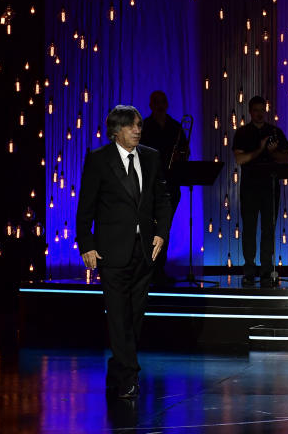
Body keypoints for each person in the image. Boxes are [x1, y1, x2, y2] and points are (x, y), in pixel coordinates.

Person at [75, 105, 173, 399]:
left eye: (139, 125)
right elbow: (85, 208)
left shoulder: (151, 157)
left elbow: (163, 199)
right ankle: (130, 375)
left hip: (144, 252)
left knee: (134, 316)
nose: (137, 130)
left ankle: (117, 368)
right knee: (117, 316)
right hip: (111, 253)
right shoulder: (98, 160)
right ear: (116, 131)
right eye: (132, 126)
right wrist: (87, 244)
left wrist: (161, 233)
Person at [232, 95, 288, 287]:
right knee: (249, 229)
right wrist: (260, 149)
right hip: (249, 189)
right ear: (250, 112)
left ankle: (267, 270)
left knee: (269, 230)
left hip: (270, 187)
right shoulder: (242, 133)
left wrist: (272, 152)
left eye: (262, 109)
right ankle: (249, 270)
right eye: (255, 110)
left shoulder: (275, 131)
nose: (259, 114)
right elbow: (240, 160)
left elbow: (285, 159)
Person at [139, 90, 186, 285]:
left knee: (164, 229)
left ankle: (159, 270)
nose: (160, 105)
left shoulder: (176, 126)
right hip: (150, 186)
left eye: (163, 102)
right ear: (151, 105)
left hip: (171, 185)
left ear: (167, 104)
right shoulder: (144, 126)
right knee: (149, 229)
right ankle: (147, 269)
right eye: (156, 102)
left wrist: (180, 156)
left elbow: (185, 151)